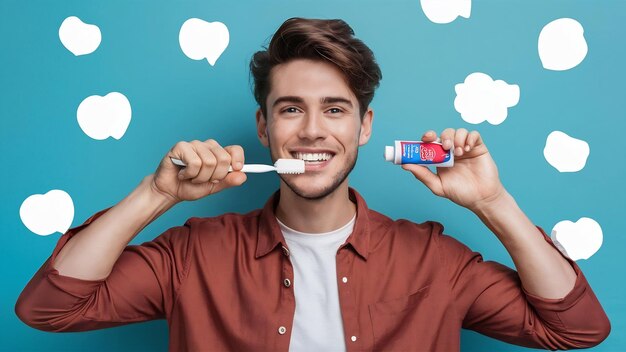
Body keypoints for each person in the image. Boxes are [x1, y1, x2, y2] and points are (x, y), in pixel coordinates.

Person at [16, 17, 610, 351]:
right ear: (264, 127)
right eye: (291, 109)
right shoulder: (193, 254)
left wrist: (492, 202)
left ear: (364, 126)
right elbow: (49, 310)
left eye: (334, 109)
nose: (312, 133)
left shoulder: (434, 261)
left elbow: (576, 328)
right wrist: (157, 194)